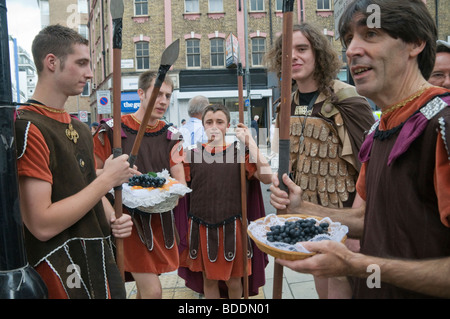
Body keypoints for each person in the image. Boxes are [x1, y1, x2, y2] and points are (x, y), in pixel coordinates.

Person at [270, 0, 450, 299]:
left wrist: (358, 264)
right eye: (348, 40)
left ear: (416, 42)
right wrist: (302, 209)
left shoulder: (442, 126)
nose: (352, 49)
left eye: (371, 35)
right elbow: (370, 218)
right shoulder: (380, 131)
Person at [14, 24, 135, 299]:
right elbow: (41, 224)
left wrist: (113, 217)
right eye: (81, 63)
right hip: (61, 265)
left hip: (98, 255)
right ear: (52, 62)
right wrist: (107, 179)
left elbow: (87, 184)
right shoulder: (28, 127)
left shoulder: (79, 127)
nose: (90, 73)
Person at [264, 22, 375, 298]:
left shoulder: (346, 99)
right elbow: (287, 164)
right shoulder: (286, 104)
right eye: (287, 52)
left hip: (345, 225)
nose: (294, 58)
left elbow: (372, 166)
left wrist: (357, 227)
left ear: (318, 54)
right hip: (308, 222)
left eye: (302, 49)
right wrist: (279, 187)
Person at [93, 70, 186, 299]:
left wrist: (167, 190)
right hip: (125, 221)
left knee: (146, 292)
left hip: (158, 221)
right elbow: (89, 176)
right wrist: (110, 174)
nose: (163, 100)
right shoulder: (113, 131)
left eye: (167, 95)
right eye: (158, 94)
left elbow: (180, 182)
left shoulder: (172, 136)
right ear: (141, 94)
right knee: (153, 292)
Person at [180, 104, 272, 298]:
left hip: (233, 226)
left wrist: (251, 142)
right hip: (201, 225)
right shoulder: (191, 155)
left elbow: (267, 177)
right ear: (203, 126)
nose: (214, 126)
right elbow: (179, 188)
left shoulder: (240, 153)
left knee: (234, 280)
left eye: (219, 122)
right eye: (209, 122)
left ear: (228, 126)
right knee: (209, 279)